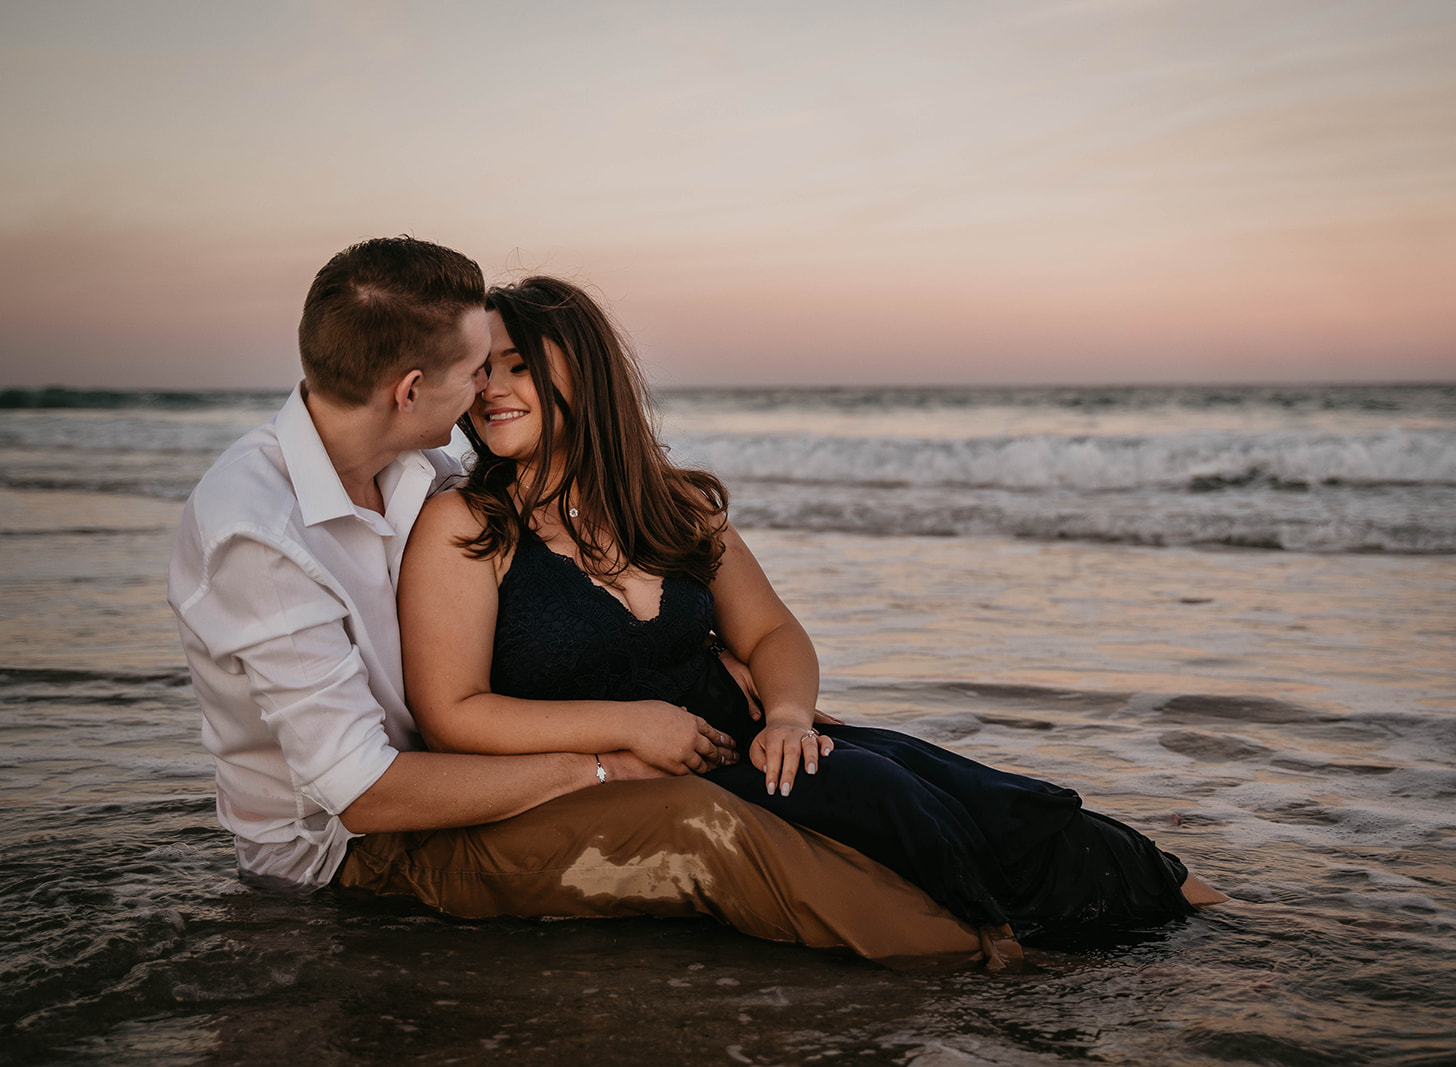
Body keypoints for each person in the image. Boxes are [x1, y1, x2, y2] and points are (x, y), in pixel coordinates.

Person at [167, 236, 1022, 967]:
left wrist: (706, 659)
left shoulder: (417, 463)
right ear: (410, 389)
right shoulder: (258, 532)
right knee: (696, 829)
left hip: (472, 776)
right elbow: (362, 793)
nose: (487, 394)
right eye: (476, 371)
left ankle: (1019, 888)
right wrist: (608, 760)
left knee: (852, 762)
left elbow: (556, 524)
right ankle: (965, 959)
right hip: (359, 848)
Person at [398, 275, 1227, 944]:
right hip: (641, 785)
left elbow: (770, 631)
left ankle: (1225, 932)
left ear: (584, 369)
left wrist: (790, 714)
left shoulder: (673, 505)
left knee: (982, 793)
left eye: (516, 365)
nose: (489, 390)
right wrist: (631, 725)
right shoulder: (469, 526)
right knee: (891, 805)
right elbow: (451, 713)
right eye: (480, 371)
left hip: (758, 744)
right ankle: (1042, 948)